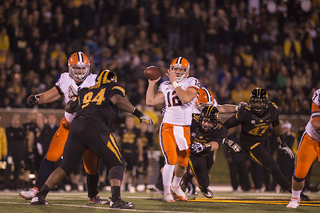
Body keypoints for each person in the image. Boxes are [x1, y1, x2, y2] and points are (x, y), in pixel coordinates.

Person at [30, 70, 153, 209]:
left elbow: (69, 107)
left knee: (65, 166)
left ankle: (39, 196)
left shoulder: (85, 91)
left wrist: (73, 97)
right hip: (96, 125)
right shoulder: (113, 87)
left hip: (76, 126)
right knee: (116, 162)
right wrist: (138, 113)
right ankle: (116, 200)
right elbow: (117, 99)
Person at [19, 52, 108, 204]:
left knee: (92, 164)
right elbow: (54, 94)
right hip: (68, 127)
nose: (80, 72)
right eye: (76, 68)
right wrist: (37, 99)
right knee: (52, 155)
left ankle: (93, 197)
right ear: (70, 67)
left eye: (82, 68)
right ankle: (36, 190)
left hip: (88, 128)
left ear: (88, 68)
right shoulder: (65, 78)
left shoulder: (95, 80)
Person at [224, 87, 310, 201]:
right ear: (251, 102)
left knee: (269, 167)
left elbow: (276, 125)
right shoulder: (245, 112)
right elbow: (224, 126)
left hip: (264, 141)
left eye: (260, 102)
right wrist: (226, 140)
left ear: (265, 102)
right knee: (273, 166)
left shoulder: (272, 109)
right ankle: (295, 193)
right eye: (255, 102)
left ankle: (241, 153)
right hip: (250, 144)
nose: (258, 105)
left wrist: (283, 143)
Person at [146, 56, 200, 202]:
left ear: (187, 71)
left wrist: (174, 82)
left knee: (183, 162)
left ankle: (176, 186)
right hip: (168, 127)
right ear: (171, 69)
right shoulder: (165, 85)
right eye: (175, 69)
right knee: (170, 160)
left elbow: (185, 98)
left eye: (181, 69)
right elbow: (150, 101)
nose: (178, 72)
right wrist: (151, 84)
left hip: (184, 128)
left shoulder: (192, 81)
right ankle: (166, 191)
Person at [286, 89, 320, 208]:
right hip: (313, 138)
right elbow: (316, 124)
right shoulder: (319, 95)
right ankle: (295, 198)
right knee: (300, 171)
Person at [117, 115, 142, 192]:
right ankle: (118, 185)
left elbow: (139, 142)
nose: (129, 123)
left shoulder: (137, 130)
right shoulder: (122, 129)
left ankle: (127, 185)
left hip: (132, 153)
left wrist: (140, 154)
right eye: (128, 121)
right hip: (123, 152)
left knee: (129, 169)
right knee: (121, 168)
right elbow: (117, 139)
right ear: (126, 122)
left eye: (131, 121)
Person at [5, 114, 26, 190]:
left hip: (19, 152)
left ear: (19, 121)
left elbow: (22, 137)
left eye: (17, 119)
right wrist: (17, 136)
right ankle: (7, 186)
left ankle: (15, 186)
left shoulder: (22, 130)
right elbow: (9, 137)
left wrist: (14, 135)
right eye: (14, 119)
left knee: (18, 169)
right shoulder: (8, 129)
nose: (15, 121)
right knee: (9, 168)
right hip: (10, 152)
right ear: (11, 121)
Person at [133, 121, 154, 191]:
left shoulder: (149, 134)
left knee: (145, 171)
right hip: (136, 153)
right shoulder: (137, 133)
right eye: (141, 125)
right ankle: (135, 186)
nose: (142, 127)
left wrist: (151, 155)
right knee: (136, 171)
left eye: (144, 125)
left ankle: (146, 186)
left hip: (145, 153)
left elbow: (151, 146)